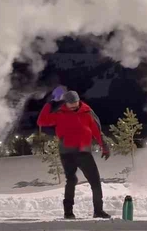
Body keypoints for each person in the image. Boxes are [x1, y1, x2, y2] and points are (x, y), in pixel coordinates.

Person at [37, 90, 111, 219]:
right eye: (70, 103)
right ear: (65, 103)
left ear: (78, 101)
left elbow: (96, 131)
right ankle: (68, 212)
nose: (73, 105)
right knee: (71, 180)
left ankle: (98, 211)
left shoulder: (87, 112)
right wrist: (49, 104)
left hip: (84, 152)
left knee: (95, 181)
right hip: (67, 153)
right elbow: (41, 121)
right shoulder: (59, 113)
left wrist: (104, 146)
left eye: (75, 102)